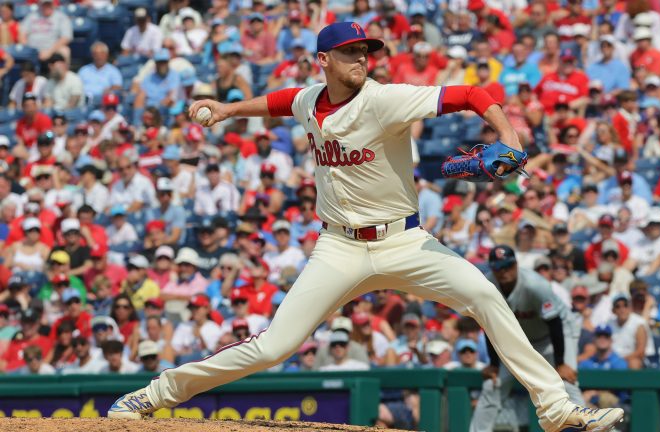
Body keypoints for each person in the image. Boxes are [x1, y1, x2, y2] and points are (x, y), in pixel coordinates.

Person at [109, 22, 623, 431]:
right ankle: (155, 393)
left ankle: (555, 407)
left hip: (405, 242)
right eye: (351, 52)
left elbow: (470, 93)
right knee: (272, 347)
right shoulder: (313, 98)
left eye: (366, 52)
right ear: (324, 60)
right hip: (339, 248)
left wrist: (509, 135)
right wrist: (226, 110)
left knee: (486, 297)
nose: (362, 60)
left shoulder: (383, 99)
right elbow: (282, 101)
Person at [470, 246, 584, 432]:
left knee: (567, 382)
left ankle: (585, 428)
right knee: (493, 385)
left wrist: (561, 363)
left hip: (555, 335)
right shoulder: (487, 286)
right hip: (520, 341)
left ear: (515, 264)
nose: (503, 271)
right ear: (492, 268)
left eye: (507, 266)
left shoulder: (535, 284)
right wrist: (494, 363)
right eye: (498, 268)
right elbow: (490, 325)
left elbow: (554, 323)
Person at [607, 294, 651, 369]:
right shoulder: (608, 324)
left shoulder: (639, 324)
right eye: (618, 306)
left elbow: (641, 352)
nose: (622, 309)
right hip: (612, 358)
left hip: (631, 359)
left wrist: (619, 360)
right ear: (613, 310)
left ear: (630, 308)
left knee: (634, 364)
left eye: (625, 305)